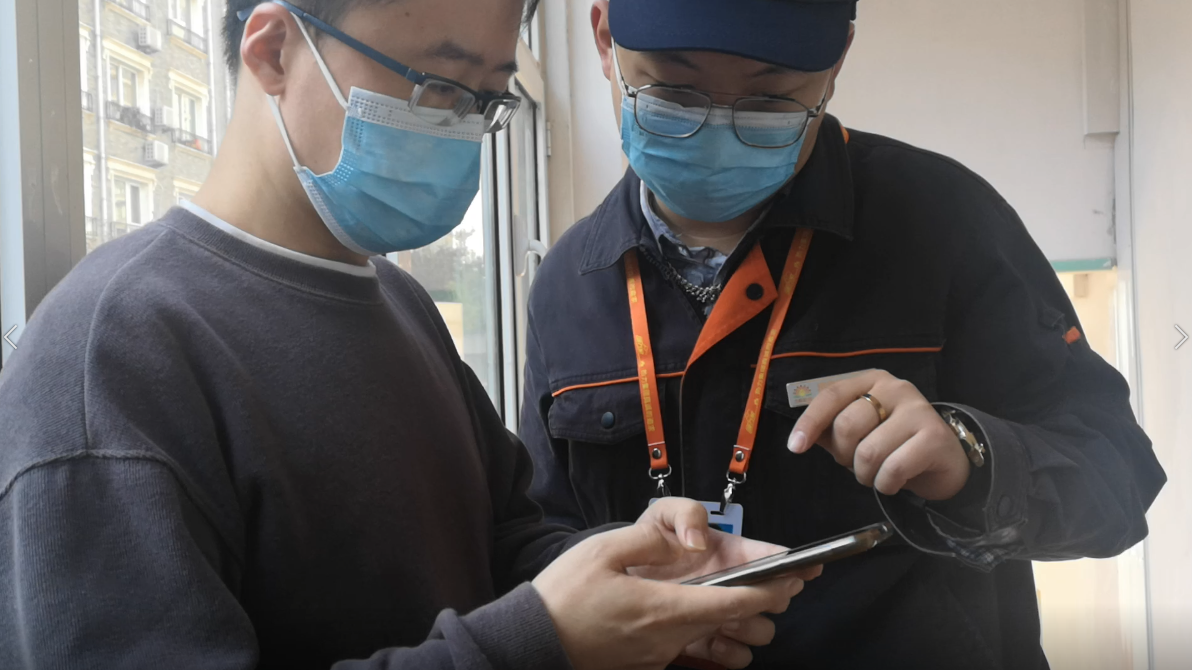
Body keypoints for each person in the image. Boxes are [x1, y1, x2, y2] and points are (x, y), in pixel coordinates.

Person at [0, 0, 821, 668]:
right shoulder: (109, 356)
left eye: (485, 98)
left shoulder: (396, 300)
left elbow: (501, 540)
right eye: (438, 85)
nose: (462, 126)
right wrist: (543, 644)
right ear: (275, 50)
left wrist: (637, 574)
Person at [519, 0, 1168, 668]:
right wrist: (614, 589)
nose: (719, 128)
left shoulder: (945, 222)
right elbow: (542, 535)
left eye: (770, 100)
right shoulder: (568, 283)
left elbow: (1119, 477)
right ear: (606, 39)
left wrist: (970, 460)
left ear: (835, 64)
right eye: (675, 91)